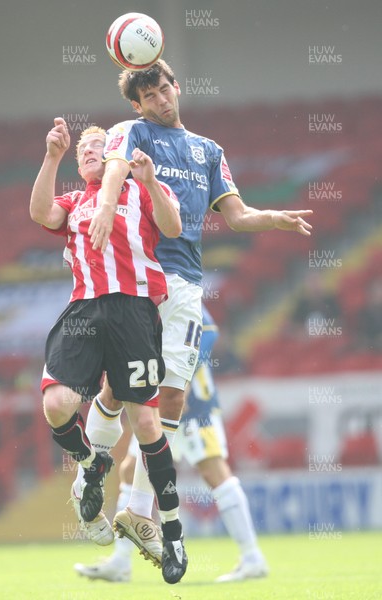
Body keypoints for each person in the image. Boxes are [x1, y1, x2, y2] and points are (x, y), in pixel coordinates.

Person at [70, 59, 313, 571]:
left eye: (164, 90)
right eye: (149, 96)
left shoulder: (209, 150)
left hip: (184, 284)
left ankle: (138, 511)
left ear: (176, 88)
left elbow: (239, 215)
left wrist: (275, 219)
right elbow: (112, 169)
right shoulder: (131, 132)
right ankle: (90, 472)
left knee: (172, 395)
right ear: (136, 105)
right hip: (138, 277)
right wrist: (109, 208)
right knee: (119, 386)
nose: (161, 100)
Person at [30, 119, 188, 584]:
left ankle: (172, 532)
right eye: (85, 151)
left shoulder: (139, 191)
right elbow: (41, 213)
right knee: (57, 404)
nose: (92, 153)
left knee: (145, 423)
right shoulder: (75, 200)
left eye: (101, 147)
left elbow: (174, 226)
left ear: (116, 153)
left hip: (135, 311)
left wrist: (151, 180)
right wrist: (52, 155)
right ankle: (91, 462)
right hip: (83, 311)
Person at [74, 304, 268, 583]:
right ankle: (120, 561)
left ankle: (252, 557)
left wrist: (186, 375)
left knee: (213, 470)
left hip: (194, 407)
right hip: (158, 406)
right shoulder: (141, 293)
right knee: (130, 470)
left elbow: (210, 330)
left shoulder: (176, 286)